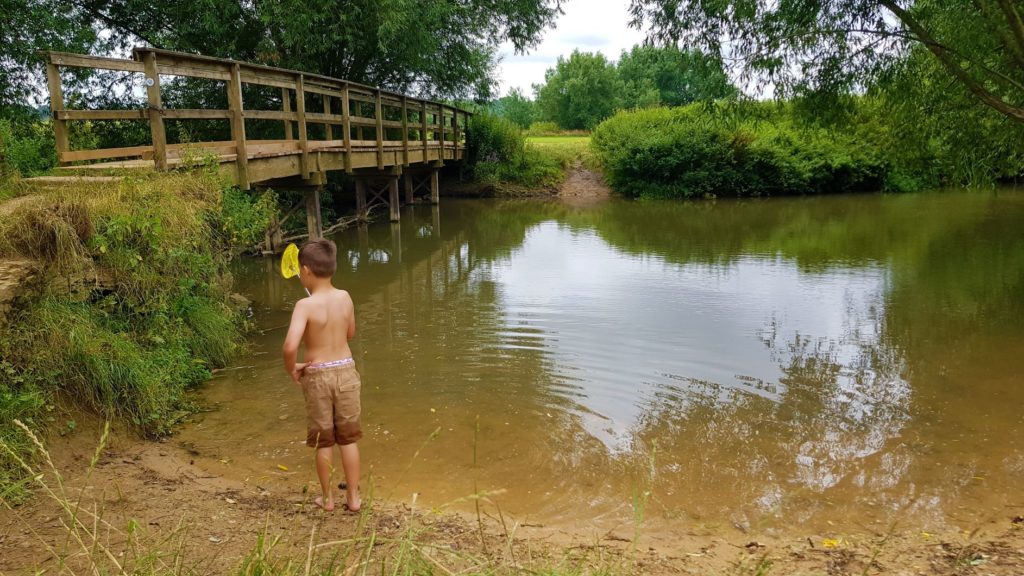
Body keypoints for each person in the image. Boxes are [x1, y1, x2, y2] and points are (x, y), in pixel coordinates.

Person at [282, 238, 361, 512]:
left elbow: (290, 345)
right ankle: (353, 498)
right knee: (348, 439)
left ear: (305, 271)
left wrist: (292, 368)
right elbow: (350, 333)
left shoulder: (304, 306)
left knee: (324, 441)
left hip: (317, 375)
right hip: (346, 372)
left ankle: (327, 499)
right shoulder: (346, 297)